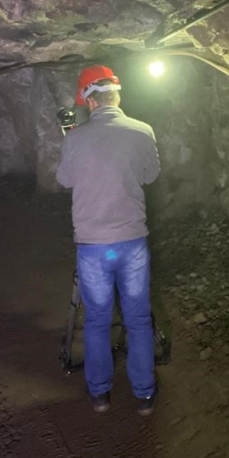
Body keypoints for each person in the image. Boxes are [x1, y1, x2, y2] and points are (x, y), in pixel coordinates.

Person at [56, 65, 161, 416]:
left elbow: (66, 180)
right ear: (117, 94)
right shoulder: (142, 130)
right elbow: (150, 174)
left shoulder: (75, 138)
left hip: (93, 245)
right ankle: (144, 395)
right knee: (138, 319)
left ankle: (100, 393)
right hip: (132, 242)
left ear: (88, 100)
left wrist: (73, 139)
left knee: (98, 321)